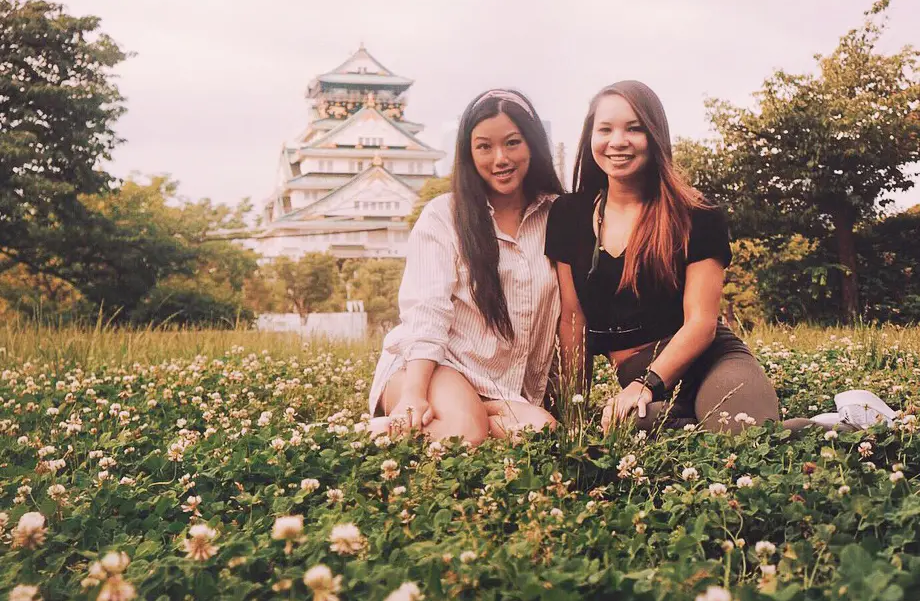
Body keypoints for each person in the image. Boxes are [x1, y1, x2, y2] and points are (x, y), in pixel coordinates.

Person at [545, 80, 893, 435]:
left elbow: (701, 323)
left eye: (634, 128)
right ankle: (810, 425)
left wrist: (646, 384)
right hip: (638, 378)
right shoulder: (568, 214)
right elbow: (573, 320)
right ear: (590, 137)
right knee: (631, 427)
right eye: (605, 129)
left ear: (654, 136)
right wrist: (573, 412)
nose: (618, 141)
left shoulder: (695, 213)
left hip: (708, 361)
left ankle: (854, 424)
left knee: (741, 434)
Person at [367, 89, 563, 444]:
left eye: (512, 143)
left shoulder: (558, 217)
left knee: (542, 432)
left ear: (532, 144)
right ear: (469, 154)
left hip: (499, 388)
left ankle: (462, 418)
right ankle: (370, 437)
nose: (500, 158)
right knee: (464, 433)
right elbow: (427, 312)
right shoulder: (444, 216)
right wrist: (414, 394)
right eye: (484, 146)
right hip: (434, 367)